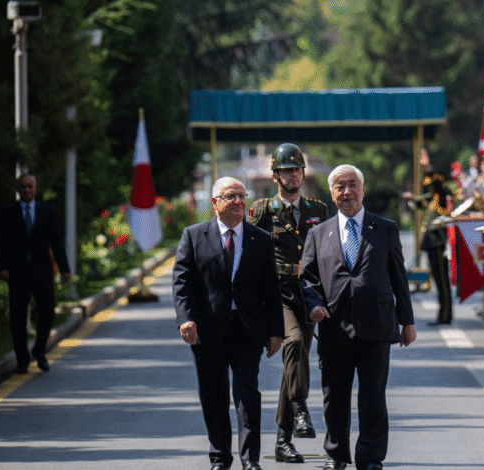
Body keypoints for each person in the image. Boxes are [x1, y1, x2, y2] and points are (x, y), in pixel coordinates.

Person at [301, 164, 416, 470]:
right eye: (340, 186)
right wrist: (313, 305)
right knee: (334, 397)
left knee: (373, 397)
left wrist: (408, 321)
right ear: (332, 192)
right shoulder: (317, 233)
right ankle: (337, 455)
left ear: (362, 189)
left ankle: (370, 456)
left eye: (353, 185)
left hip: (376, 325)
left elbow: (398, 276)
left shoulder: (385, 228)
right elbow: (306, 279)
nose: (347, 191)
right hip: (333, 326)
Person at [172, 177, 283, 470]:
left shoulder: (261, 239)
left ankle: (250, 460)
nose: (238, 202)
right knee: (213, 395)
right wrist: (186, 319)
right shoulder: (194, 236)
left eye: (241, 196)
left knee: (247, 394)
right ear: (215, 203)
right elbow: (182, 283)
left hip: (247, 330)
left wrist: (275, 332)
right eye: (231, 196)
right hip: (207, 330)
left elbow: (272, 290)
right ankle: (220, 457)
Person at [247, 143, 329, 463]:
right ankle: (300, 407)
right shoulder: (263, 211)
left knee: (292, 366)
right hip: (278, 295)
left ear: (303, 173)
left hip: (307, 296)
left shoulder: (317, 211)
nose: (292, 175)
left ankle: (283, 442)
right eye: (285, 170)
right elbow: (249, 251)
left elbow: (325, 254)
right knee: (292, 344)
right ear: (275, 175)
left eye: (296, 170)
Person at [0, 174, 71, 374]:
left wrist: (64, 269)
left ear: (35, 188)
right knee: (18, 317)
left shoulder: (47, 211)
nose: (27, 190)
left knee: (47, 311)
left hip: (42, 271)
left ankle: (39, 350)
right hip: (17, 273)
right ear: (18, 190)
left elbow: (56, 242)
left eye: (30, 186)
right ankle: (22, 360)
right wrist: (1, 267)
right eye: (23, 187)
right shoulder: (8, 212)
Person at [403, 148, 454, 325]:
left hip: (439, 242)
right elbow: (420, 202)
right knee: (438, 280)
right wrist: (411, 198)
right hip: (433, 243)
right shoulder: (433, 199)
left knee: (442, 280)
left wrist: (428, 167)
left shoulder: (442, 194)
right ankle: (442, 314)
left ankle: (446, 315)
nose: (430, 186)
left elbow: (436, 188)